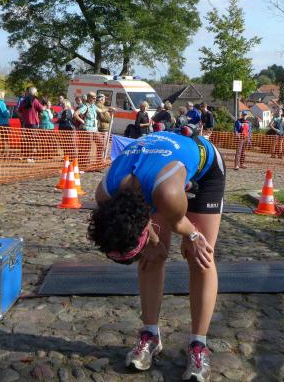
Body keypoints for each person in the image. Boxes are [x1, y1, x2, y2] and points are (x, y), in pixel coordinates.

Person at [89, 130, 225, 381]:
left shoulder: (167, 194)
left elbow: (180, 223)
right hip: (158, 172)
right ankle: (150, 334)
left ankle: (199, 345)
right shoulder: (105, 195)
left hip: (202, 170)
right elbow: (140, 218)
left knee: (199, 256)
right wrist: (151, 242)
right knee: (152, 256)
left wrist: (192, 237)